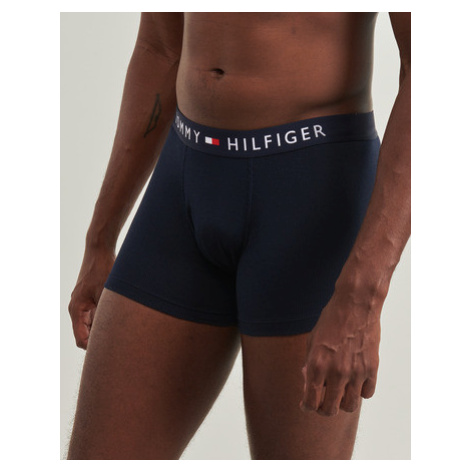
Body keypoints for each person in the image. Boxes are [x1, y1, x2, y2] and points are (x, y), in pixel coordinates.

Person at [67, 12, 410, 460]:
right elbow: (161, 47)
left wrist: (364, 297)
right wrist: (101, 237)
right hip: (184, 184)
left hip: (310, 196)